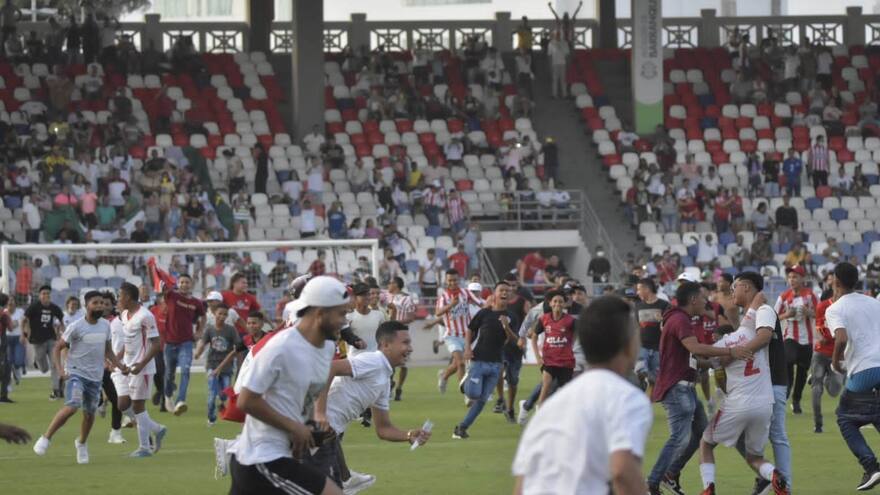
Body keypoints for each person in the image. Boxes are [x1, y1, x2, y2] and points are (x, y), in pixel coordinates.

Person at [512, 295, 651, 494]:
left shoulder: (549, 407)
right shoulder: (627, 398)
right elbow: (622, 472)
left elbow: (522, 484)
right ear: (629, 345)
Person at [226, 276, 348, 495]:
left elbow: (305, 399)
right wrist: (294, 427)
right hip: (260, 460)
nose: (344, 321)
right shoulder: (280, 348)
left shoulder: (327, 348)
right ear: (320, 313)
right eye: (341, 314)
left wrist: (311, 426)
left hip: (281, 455)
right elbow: (246, 400)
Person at [647, 282, 752, 495]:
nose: (707, 302)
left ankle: (670, 474)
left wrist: (715, 363)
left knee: (702, 432)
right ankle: (652, 483)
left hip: (685, 387)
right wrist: (730, 352)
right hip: (677, 388)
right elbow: (694, 348)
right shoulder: (679, 319)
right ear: (694, 299)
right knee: (680, 438)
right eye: (703, 298)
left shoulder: (678, 318)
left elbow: (691, 357)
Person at [311, 321, 431, 492]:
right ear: (385, 345)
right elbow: (329, 368)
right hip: (312, 429)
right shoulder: (373, 361)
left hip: (328, 436)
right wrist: (320, 414)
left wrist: (409, 435)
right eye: (405, 342)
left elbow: (383, 428)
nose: (410, 348)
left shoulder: (384, 379)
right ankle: (347, 479)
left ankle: (347, 478)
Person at [698, 272, 790, 495]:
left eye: (735, 287)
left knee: (706, 443)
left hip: (738, 402)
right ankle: (775, 476)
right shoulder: (748, 329)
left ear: (747, 288)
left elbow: (712, 362)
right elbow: (750, 326)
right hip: (763, 401)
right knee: (754, 457)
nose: (731, 292)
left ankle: (708, 488)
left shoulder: (730, 341)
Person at [32, 291, 127, 464]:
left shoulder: (106, 325)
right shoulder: (76, 326)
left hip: (95, 377)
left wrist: (120, 366)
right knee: (73, 406)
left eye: (101, 303)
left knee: (89, 415)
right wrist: (60, 370)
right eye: (95, 303)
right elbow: (57, 348)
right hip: (76, 373)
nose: (100, 306)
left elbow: (108, 351)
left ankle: (81, 443)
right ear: (87, 305)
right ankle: (46, 438)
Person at [828, 262, 880, 491]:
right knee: (876, 413)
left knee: (845, 418)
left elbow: (840, 338)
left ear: (836, 282)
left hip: (865, 369)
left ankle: (871, 467)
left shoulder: (835, 308)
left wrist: (835, 362)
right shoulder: (873, 301)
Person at [453, 281, 519, 440]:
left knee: (482, 401)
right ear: (494, 294)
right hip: (478, 359)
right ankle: (466, 382)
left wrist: (506, 326)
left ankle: (461, 428)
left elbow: (514, 340)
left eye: (507, 291)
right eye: (501, 290)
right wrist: (467, 348)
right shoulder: (484, 313)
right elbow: (470, 329)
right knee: (473, 393)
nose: (505, 293)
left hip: (496, 364)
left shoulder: (512, 317)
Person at [116, 282, 167, 457]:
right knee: (123, 403)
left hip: (143, 369)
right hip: (128, 366)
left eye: (120, 295)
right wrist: (119, 360)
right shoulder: (124, 314)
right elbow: (127, 340)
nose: (118, 298)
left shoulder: (146, 316)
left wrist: (141, 364)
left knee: (138, 406)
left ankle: (144, 448)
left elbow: (156, 344)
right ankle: (157, 429)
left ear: (128, 297)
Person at [150, 264, 206, 416]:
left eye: (187, 282)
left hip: (186, 342)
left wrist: (200, 331)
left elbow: (203, 316)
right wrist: (154, 268)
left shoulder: (197, 302)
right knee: (169, 374)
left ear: (191, 284)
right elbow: (160, 286)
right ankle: (168, 396)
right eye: (181, 282)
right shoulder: (171, 296)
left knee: (186, 370)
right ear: (178, 284)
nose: (184, 284)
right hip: (169, 343)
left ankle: (181, 400)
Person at [429, 270, 480, 395]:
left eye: (455, 280)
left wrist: (491, 306)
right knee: (461, 363)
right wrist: (451, 304)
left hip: (467, 335)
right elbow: (437, 312)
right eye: (450, 280)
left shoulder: (465, 292)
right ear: (446, 281)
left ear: (459, 280)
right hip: (452, 336)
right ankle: (466, 394)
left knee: (458, 364)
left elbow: (480, 302)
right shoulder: (444, 297)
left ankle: (444, 376)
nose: (452, 283)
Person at [774, 264, 816, 414]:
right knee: (789, 360)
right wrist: (786, 315)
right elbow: (772, 317)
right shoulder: (783, 297)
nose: (792, 280)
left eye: (795, 277)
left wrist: (808, 312)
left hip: (807, 340)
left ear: (802, 278)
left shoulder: (810, 295)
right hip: (790, 336)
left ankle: (796, 400)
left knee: (803, 372)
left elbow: (820, 314)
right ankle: (785, 393)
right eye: (790, 277)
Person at [194, 304, 240, 426]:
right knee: (212, 394)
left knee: (224, 394)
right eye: (220, 313)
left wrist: (239, 359)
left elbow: (238, 346)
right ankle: (211, 417)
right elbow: (203, 342)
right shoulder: (210, 329)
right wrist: (198, 352)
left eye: (225, 314)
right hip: (212, 365)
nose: (222, 316)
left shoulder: (231, 330)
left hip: (227, 367)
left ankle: (222, 402)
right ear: (215, 314)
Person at [529, 290, 575, 407]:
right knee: (546, 384)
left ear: (564, 304)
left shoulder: (571, 320)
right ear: (550, 303)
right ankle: (539, 411)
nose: (557, 304)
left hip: (566, 361)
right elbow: (534, 337)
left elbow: (581, 334)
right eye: (555, 301)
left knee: (566, 392)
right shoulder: (544, 319)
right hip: (549, 359)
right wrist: (538, 357)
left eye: (560, 301)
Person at [22, 285, 65, 399]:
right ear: (40, 295)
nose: (46, 295)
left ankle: (55, 390)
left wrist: (63, 334)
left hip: (51, 339)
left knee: (55, 365)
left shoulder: (54, 308)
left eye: (48, 293)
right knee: (44, 369)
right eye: (44, 293)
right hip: (37, 340)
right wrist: (24, 333)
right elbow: (24, 320)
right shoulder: (34, 307)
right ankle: (37, 361)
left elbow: (62, 321)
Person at [811, 285, 843, 433]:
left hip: (838, 353)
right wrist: (820, 337)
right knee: (816, 390)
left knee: (834, 390)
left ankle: (825, 379)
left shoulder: (846, 308)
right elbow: (817, 326)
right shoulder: (822, 306)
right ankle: (818, 424)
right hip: (820, 352)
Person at [382, 277, 415, 401]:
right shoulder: (385, 296)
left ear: (396, 285)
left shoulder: (407, 298)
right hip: (388, 333)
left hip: (402, 333)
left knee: (403, 364)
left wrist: (396, 322)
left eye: (390, 283)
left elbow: (411, 317)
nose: (388, 285)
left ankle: (399, 387)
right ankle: (389, 386)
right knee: (388, 362)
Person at [635, 278, 670, 392]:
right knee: (639, 370)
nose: (637, 292)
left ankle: (649, 403)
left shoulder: (664, 305)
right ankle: (642, 381)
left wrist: (663, 321)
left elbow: (670, 326)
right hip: (642, 346)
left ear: (647, 289)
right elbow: (636, 326)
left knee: (654, 380)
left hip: (658, 347)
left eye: (639, 289)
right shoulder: (638, 306)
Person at [346, 284, 386, 357]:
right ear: (355, 297)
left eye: (368, 294)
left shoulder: (379, 315)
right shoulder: (348, 316)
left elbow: (384, 336)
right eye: (363, 295)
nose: (367, 297)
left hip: (374, 358)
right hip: (355, 359)